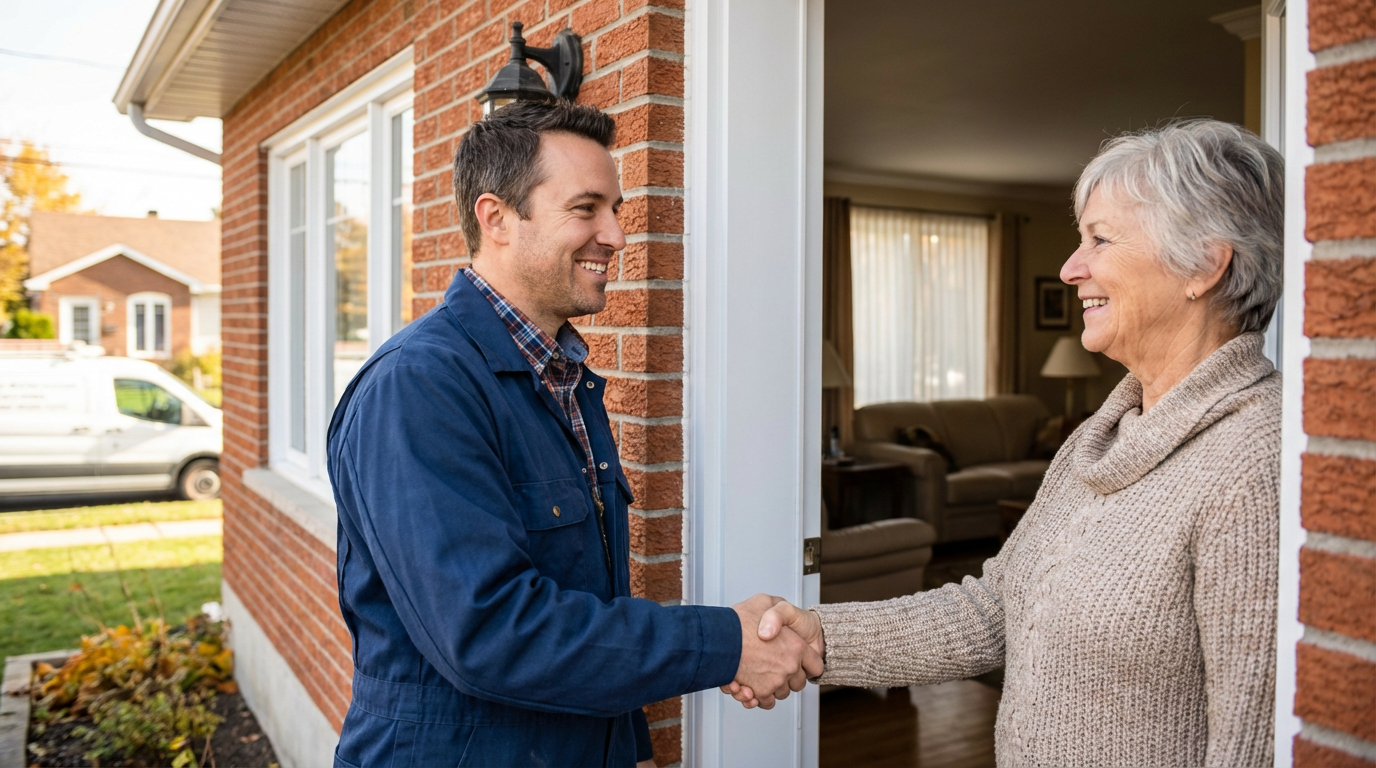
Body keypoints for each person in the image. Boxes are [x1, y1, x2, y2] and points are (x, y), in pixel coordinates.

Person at [730, 120, 1285, 766]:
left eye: (1100, 239)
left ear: (1205, 266)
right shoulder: (1099, 438)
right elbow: (994, 611)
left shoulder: (1256, 460)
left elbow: (1253, 743)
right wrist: (819, 635)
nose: (1070, 268)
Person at [327, 100, 819, 768]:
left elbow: (590, 601)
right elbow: (490, 632)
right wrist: (726, 643)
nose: (615, 235)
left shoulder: (564, 378)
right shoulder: (418, 387)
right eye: (586, 209)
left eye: (615, 209)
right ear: (497, 219)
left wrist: (630, 747)